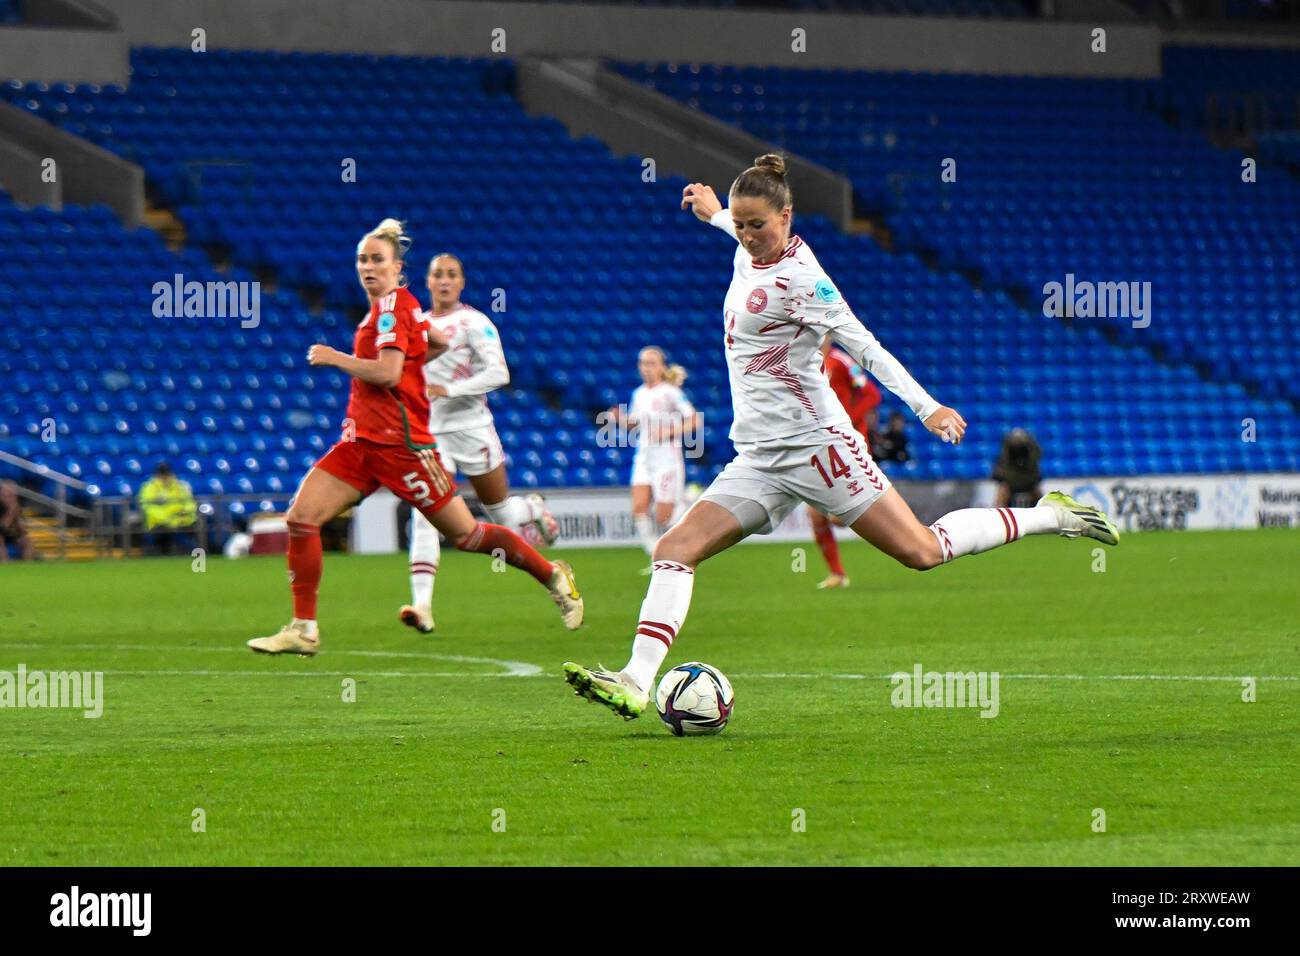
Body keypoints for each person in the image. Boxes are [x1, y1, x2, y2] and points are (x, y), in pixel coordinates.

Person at [562, 154, 1120, 719]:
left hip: (819, 448)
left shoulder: (805, 280)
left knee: (922, 552)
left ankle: (1051, 516)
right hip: (759, 458)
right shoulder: (744, 243)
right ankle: (634, 679)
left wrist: (927, 408)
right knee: (674, 550)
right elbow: (732, 228)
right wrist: (712, 212)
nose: (749, 236)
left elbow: (865, 345)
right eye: (741, 223)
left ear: (788, 216)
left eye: (758, 225)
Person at [248, 219, 583, 656]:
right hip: (360, 444)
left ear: (397, 267)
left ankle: (552, 576)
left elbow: (387, 373)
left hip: (403, 448)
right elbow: (438, 342)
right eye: (362, 260)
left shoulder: (391, 308)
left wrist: (337, 359)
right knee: (301, 518)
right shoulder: (393, 309)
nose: (368, 267)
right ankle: (304, 629)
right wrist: (411, 364)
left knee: (469, 535)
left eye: (377, 260)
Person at [400, 252, 560, 635]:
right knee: (424, 515)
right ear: (428, 281)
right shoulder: (417, 324)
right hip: (431, 434)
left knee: (501, 515)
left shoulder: (474, 322)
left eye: (451, 274)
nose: (443, 280)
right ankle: (422, 605)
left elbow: (499, 373)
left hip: (473, 428)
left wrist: (449, 389)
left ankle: (533, 506)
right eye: (437, 273)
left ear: (461, 283)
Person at [605, 347, 700, 558]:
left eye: (651, 363)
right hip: (644, 457)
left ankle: (689, 498)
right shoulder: (638, 394)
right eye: (642, 363)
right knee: (639, 509)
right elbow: (634, 425)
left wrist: (670, 431)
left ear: (662, 367)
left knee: (664, 517)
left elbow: (695, 420)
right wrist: (620, 420)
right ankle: (655, 556)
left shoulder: (671, 392)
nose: (645, 368)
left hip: (667, 459)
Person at [808, 337, 881, 590]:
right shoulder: (804, 362)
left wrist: (848, 420)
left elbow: (872, 394)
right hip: (819, 445)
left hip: (848, 444)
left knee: (840, 517)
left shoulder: (841, 361)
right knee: (815, 516)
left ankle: (896, 526)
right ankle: (837, 574)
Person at [137, 462, 197, 555]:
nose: (165, 477)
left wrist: (183, 515)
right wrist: (168, 519)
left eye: (167, 474)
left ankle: (194, 554)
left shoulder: (180, 487)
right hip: (157, 524)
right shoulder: (149, 488)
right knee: (157, 539)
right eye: (162, 474)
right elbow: (148, 508)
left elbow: (189, 504)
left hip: (180, 522)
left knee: (189, 535)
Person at [993, 428, 1043, 509]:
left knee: (1037, 494)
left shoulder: (1032, 453)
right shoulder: (1005, 455)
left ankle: (1041, 511)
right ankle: (999, 514)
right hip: (1011, 482)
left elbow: (1035, 466)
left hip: (1028, 480)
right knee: (1003, 491)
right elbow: (1001, 468)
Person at [0, 480, 35, 561]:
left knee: (26, 541)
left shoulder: (16, 505)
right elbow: (2, 528)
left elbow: (21, 529)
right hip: (1, 532)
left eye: (12, 494)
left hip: (9, 534)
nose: (10, 497)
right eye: (6, 494)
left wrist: (18, 517)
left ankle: (27, 567)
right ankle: (5, 565)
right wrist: (10, 513)